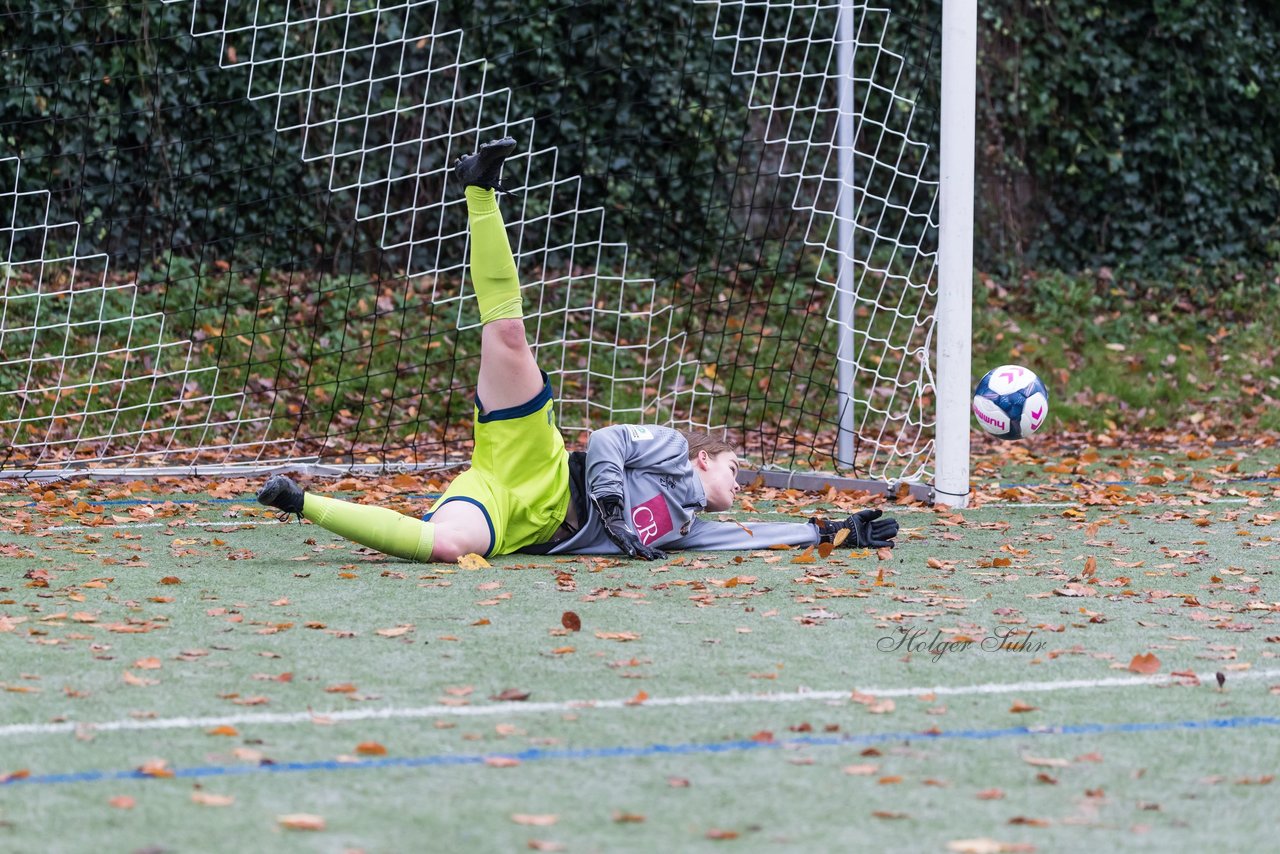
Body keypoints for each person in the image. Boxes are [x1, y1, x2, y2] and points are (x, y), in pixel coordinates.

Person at [256, 137, 899, 563]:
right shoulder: (674, 450)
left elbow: (747, 540)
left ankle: (299, 502)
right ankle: (479, 190)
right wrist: (614, 504)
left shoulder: (688, 529)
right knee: (507, 332)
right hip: (532, 457)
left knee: (448, 547)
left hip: (516, 513)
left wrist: (830, 532)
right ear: (705, 458)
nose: (743, 478)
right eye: (736, 466)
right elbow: (612, 442)